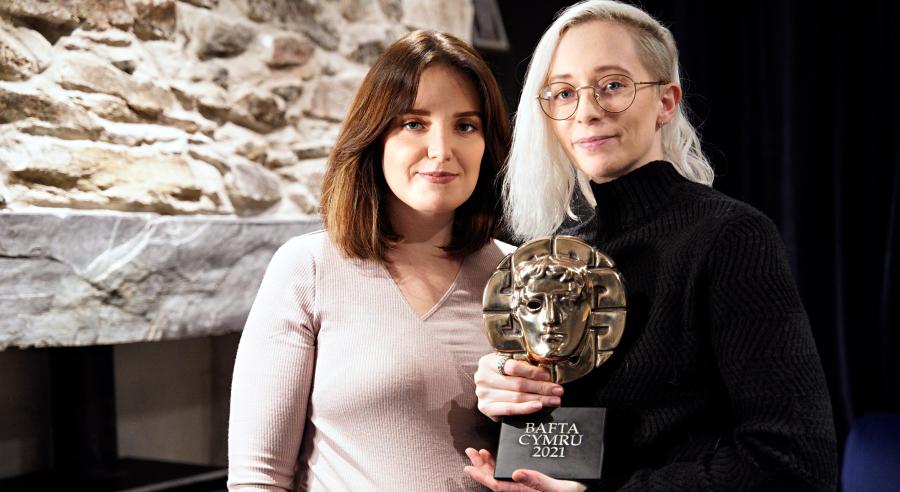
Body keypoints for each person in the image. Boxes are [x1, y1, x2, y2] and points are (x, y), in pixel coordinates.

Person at [464, 1, 838, 491]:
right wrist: (505, 391)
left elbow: (795, 464)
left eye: (613, 85)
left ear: (666, 102)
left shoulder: (731, 238)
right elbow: (567, 446)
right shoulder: (553, 252)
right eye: (563, 93)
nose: (588, 110)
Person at [228, 29, 512, 491]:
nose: (441, 150)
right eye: (414, 123)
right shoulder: (308, 268)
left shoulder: (524, 277)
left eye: (466, 126)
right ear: (375, 135)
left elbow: (559, 448)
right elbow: (257, 480)